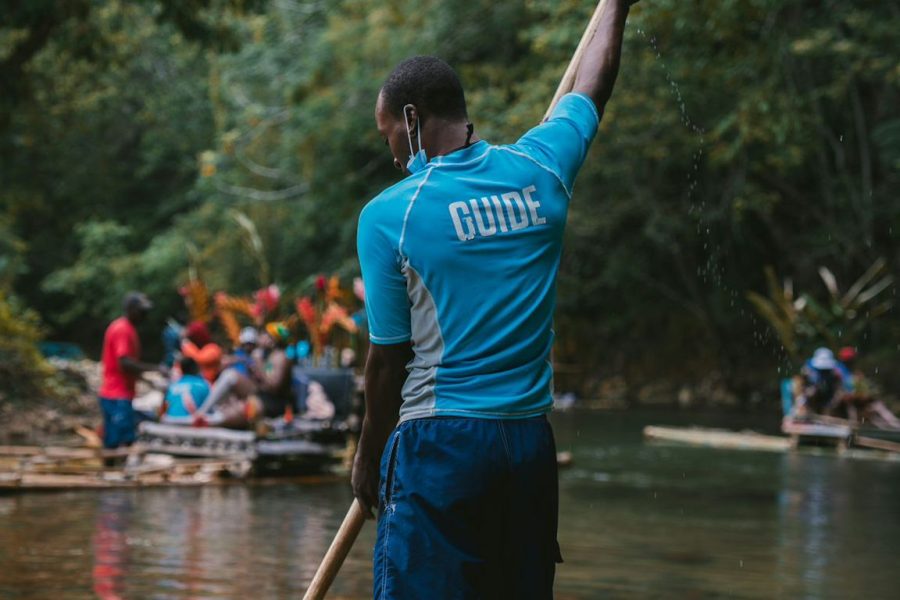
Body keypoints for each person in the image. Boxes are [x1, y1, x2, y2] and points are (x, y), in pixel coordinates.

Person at [352, 3, 636, 597]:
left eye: (390, 140)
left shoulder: (389, 216)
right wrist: (617, 5)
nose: (394, 158)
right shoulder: (543, 166)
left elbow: (388, 358)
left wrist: (368, 456)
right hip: (528, 446)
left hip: (440, 441)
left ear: (411, 118)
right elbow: (592, 87)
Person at [98, 292, 163, 451]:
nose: (144, 315)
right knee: (120, 440)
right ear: (131, 310)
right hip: (116, 394)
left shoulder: (127, 329)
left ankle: (112, 471)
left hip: (118, 393)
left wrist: (148, 380)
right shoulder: (123, 330)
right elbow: (125, 363)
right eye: (142, 311)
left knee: (116, 438)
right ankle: (114, 472)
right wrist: (155, 369)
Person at [161, 357, 211, 424]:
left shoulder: (173, 387)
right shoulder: (203, 385)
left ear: (181, 369)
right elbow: (210, 410)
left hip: (171, 424)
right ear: (196, 368)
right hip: (191, 426)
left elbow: (164, 409)